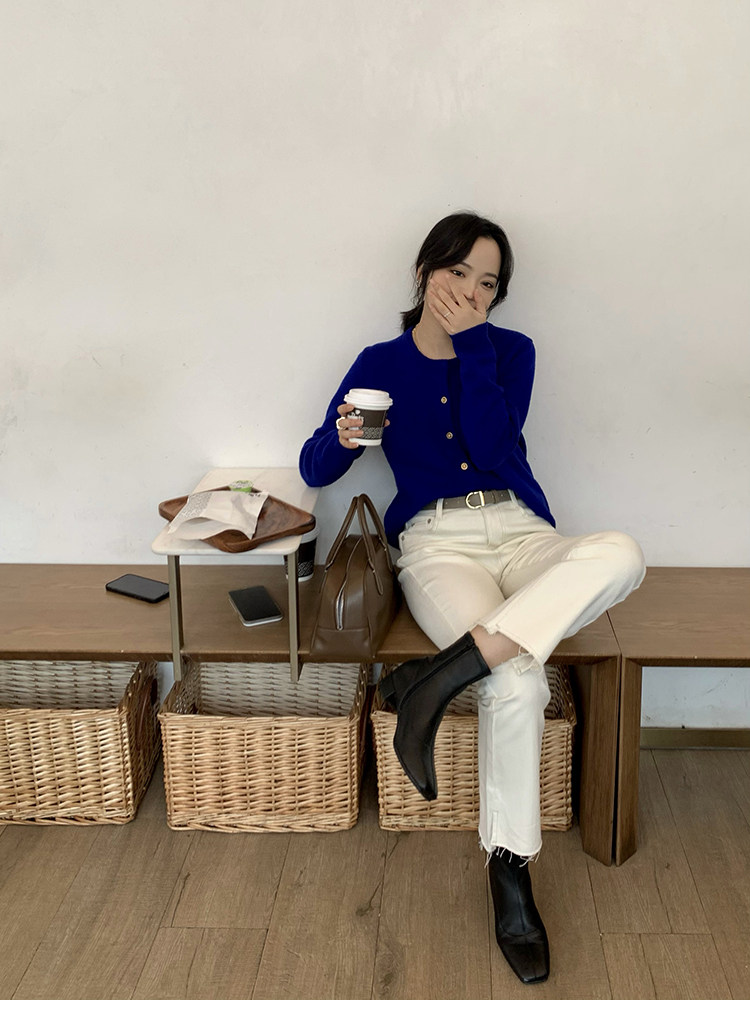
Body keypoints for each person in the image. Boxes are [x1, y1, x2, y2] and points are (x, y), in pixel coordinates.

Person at [299, 211, 646, 985]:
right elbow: (315, 468)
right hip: (436, 543)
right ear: (426, 272)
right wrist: (344, 438)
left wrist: (472, 346)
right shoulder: (379, 362)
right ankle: (511, 871)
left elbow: (493, 448)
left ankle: (439, 676)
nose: (470, 292)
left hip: (521, 530)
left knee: (622, 553)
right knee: (517, 678)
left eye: (488, 283)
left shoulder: (509, 350)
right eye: (459, 273)